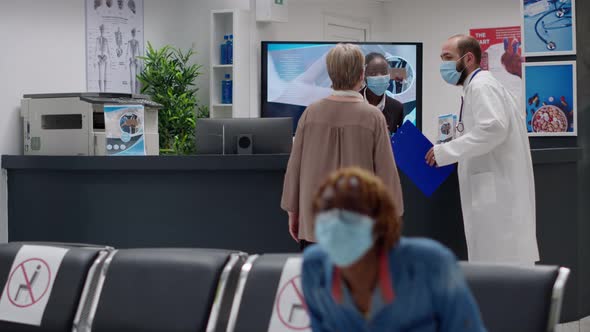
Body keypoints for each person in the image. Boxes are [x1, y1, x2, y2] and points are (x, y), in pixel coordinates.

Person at [302, 168, 487, 331]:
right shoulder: (314, 269)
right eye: (326, 212)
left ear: (379, 222)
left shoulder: (431, 265)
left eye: (349, 213)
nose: (336, 224)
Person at [426, 35, 539, 265]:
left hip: (497, 203)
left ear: (468, 59)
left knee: (499, 272)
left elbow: (493, 128)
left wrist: (445, 151)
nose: (443, 65)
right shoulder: (478, 86)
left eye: (448, 58)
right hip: (493, 196)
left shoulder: (481, 86)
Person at [281, 44, 404, 251]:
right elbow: (387, 173)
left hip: (315, 224)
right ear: (362, 73)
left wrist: (293, 212)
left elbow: (295, 167)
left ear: (330, 73)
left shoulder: (310, 113)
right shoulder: (374, 116)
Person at [361, 53, 405, 135]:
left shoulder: (397, 107)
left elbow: (398, 142)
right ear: (364, 75)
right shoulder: (352, 104)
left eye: (384, 72)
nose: (380, 77)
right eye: (373, 73)